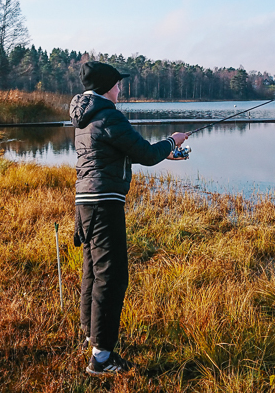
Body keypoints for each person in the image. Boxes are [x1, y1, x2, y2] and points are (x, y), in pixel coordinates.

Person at [71, 61, 188, 376]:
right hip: (104, 202)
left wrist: (167, 151)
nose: (120, 89)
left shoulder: (85, 118)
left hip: (85, 202)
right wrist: (173, 140)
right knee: (112, 278)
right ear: (108, 86)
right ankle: (102, 357)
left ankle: (92, 337)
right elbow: (146, 155)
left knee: (93, 273)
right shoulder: (109, 115)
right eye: (118, 84)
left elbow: (112, 154)